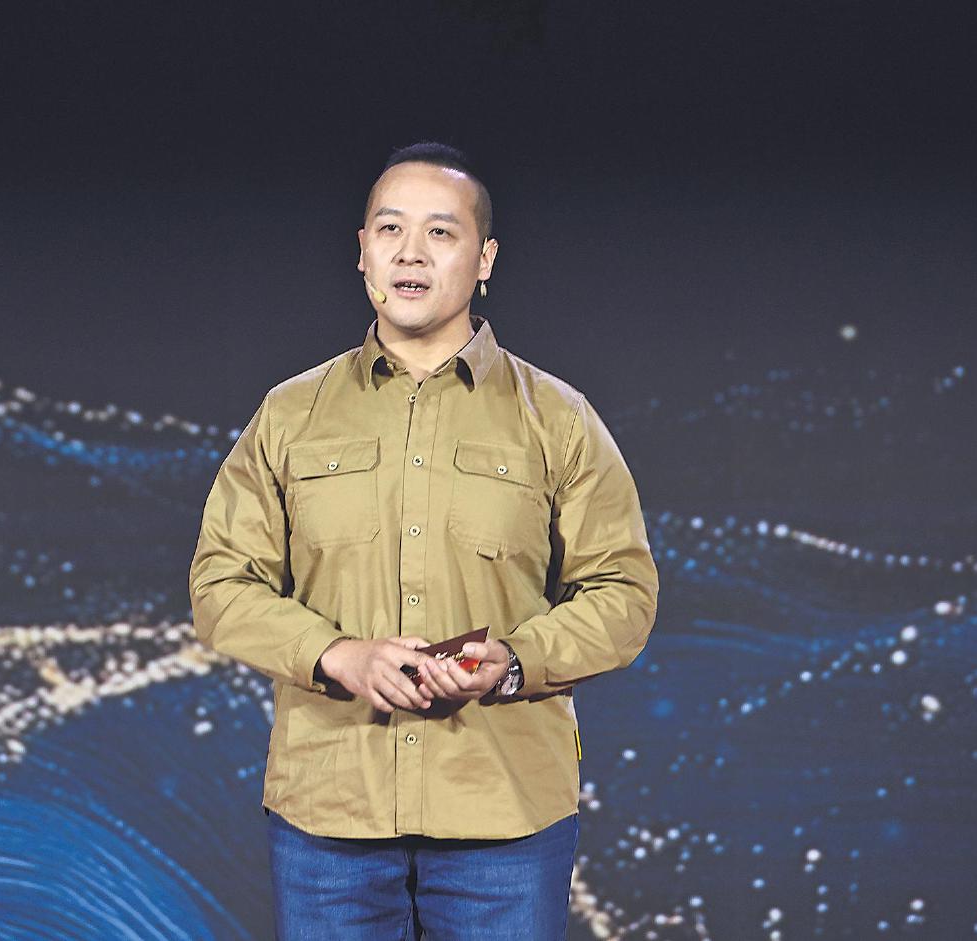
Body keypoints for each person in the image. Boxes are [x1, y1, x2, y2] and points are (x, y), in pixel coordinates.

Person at [188, 140, 659, 940]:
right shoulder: (290, 414)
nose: (411, 252)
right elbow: (220, 584)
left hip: (504, 818)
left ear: (485, 258)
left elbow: (624, 592)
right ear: (362, 252)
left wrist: (517, 660)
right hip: (329, 817)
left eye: (440, 232)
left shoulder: (559, 417)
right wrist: (338, 655)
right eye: (390, 229)